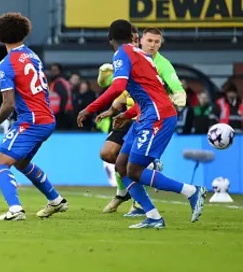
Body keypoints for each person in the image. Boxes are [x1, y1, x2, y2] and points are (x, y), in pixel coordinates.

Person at [77, 19, 206, 229]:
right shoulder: (142, 55)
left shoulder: (123, 54)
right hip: (146, 114)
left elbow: (118, 86)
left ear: (110, 39)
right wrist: (127, 114)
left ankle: (191, 191)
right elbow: (146, 93)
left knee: (135, 170)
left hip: (157, 117)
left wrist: (90, 108)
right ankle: (153, 216)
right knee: (121, 166)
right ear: (133, 37)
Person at [97, 27, 187, 216]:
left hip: (151, 118)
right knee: (108, 154)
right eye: (148, 41)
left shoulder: (162, 64)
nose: (152, 45)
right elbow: (120, 90)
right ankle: (125, 191)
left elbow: (174, 84)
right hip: (131, 116)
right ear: (140, 41)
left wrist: (179, 93)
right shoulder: (132, 56)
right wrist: (112, 108)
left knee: (133, 164)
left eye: (157, 42)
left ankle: (140, 201)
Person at [0, 13, 69, 221]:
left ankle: (15, 210)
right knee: (22, 162)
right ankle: (56, 200)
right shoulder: (33, 56)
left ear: (0, 35)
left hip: (31, 120)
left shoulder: (6, 64)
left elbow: (9, 104)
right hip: (47, 118)